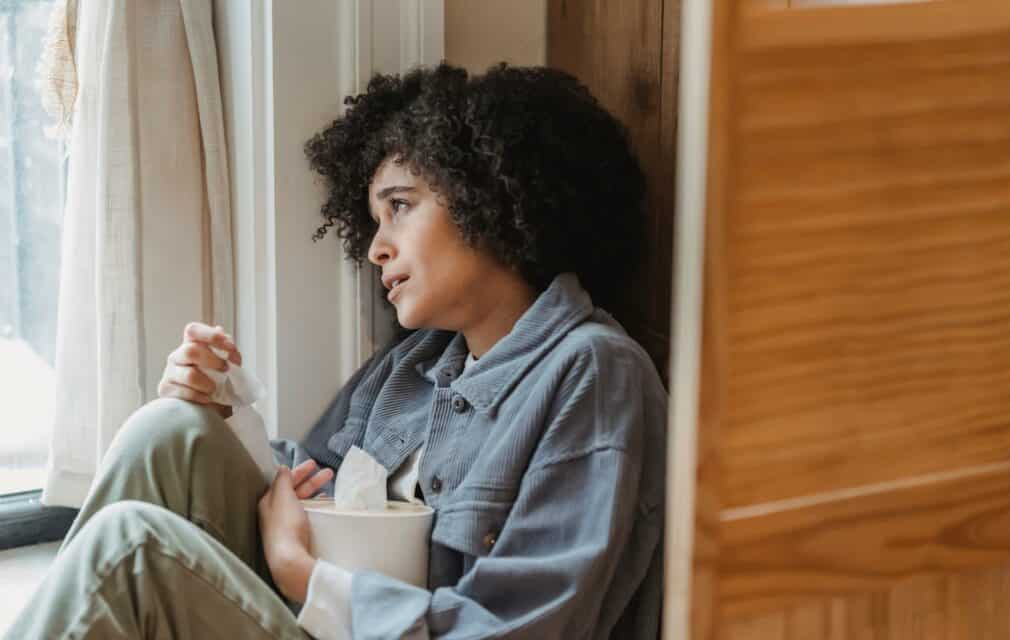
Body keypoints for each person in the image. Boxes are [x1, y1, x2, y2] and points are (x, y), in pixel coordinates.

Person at [7, 62, 667, 640]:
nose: (377, 247)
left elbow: (519, 629)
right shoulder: (415, 364)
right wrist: (219, 404)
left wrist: (306, 576)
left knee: (132, 552)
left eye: (400, 207)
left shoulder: (595, 373)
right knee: (168, 429)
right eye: (374, 221)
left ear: (490, 195)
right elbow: (306, 484)